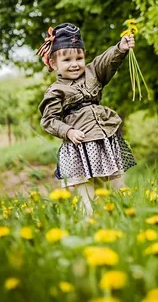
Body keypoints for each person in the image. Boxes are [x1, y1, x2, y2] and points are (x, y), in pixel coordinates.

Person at [37, 23, 136, 216]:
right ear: (54, 63)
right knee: (86, 192)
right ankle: (87, 221)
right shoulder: (56, 91)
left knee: (105, 188)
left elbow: (106, 61)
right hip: (79, 147)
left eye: (79, 58)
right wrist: (68, 131)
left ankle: (111, 219)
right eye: (67, 60)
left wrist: (120, 48)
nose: (75, 64)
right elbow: (49, 120)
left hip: (101, 142)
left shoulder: (92, 72)